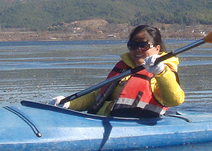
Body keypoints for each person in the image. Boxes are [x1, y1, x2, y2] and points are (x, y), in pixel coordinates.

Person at [53, 25, 185, 118]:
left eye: (143, 45)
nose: (137, 50)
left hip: (138, 125)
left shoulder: (161, 72)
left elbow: (175, 100)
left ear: (157, 48)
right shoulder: (124, 69)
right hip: (106, 121)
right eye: (132, 46)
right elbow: (98, 96)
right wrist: (68, 103)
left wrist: (161, 72)